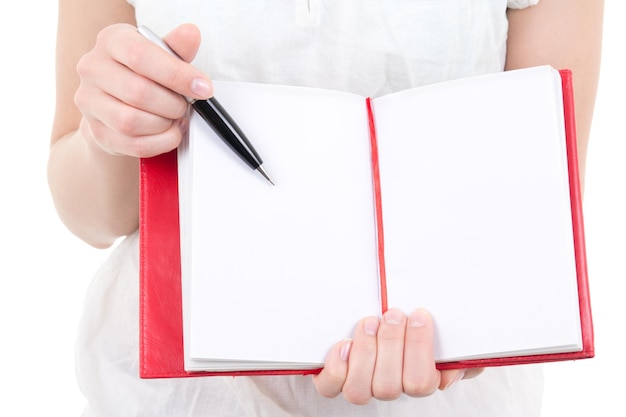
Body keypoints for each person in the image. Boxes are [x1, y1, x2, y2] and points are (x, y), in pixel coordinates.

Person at [48, 0, 603, 415]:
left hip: (444, 390)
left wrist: (481, 329)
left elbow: (539, 209)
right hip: (182, 397)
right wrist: (109, 131)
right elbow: (91, 217)